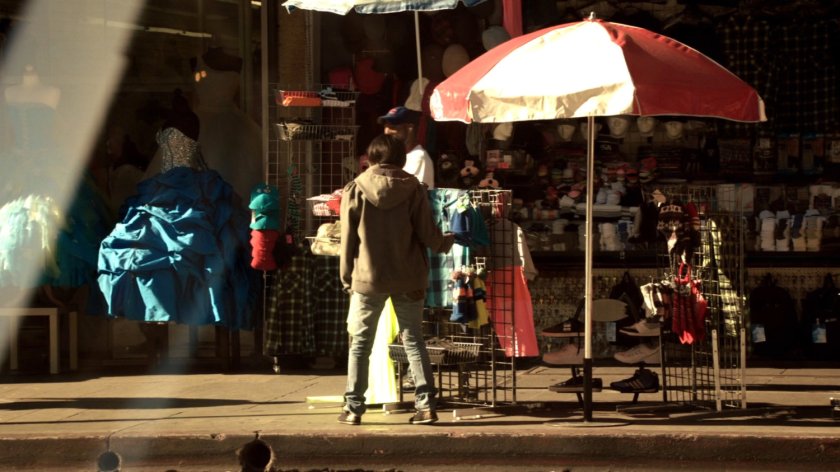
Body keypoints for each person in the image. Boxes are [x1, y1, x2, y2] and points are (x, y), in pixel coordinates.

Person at [338, 134, 454, 425]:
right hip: (409, 276)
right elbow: (428, 234)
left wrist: (346, 277)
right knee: (413, 340)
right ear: (402, 159)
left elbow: (348, 240)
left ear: (371, 157)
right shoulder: (414, 189)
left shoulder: (355, 189)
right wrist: (446, 242)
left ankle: (353, 408)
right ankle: (426, 407)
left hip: (368, 278)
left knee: (361, 343)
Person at [379, 106, 434, 188]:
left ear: (409, 128)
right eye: (385, 126)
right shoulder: (394, 155)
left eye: (393, 127)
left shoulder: (418, 157)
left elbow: (412, 195)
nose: (387, 131)